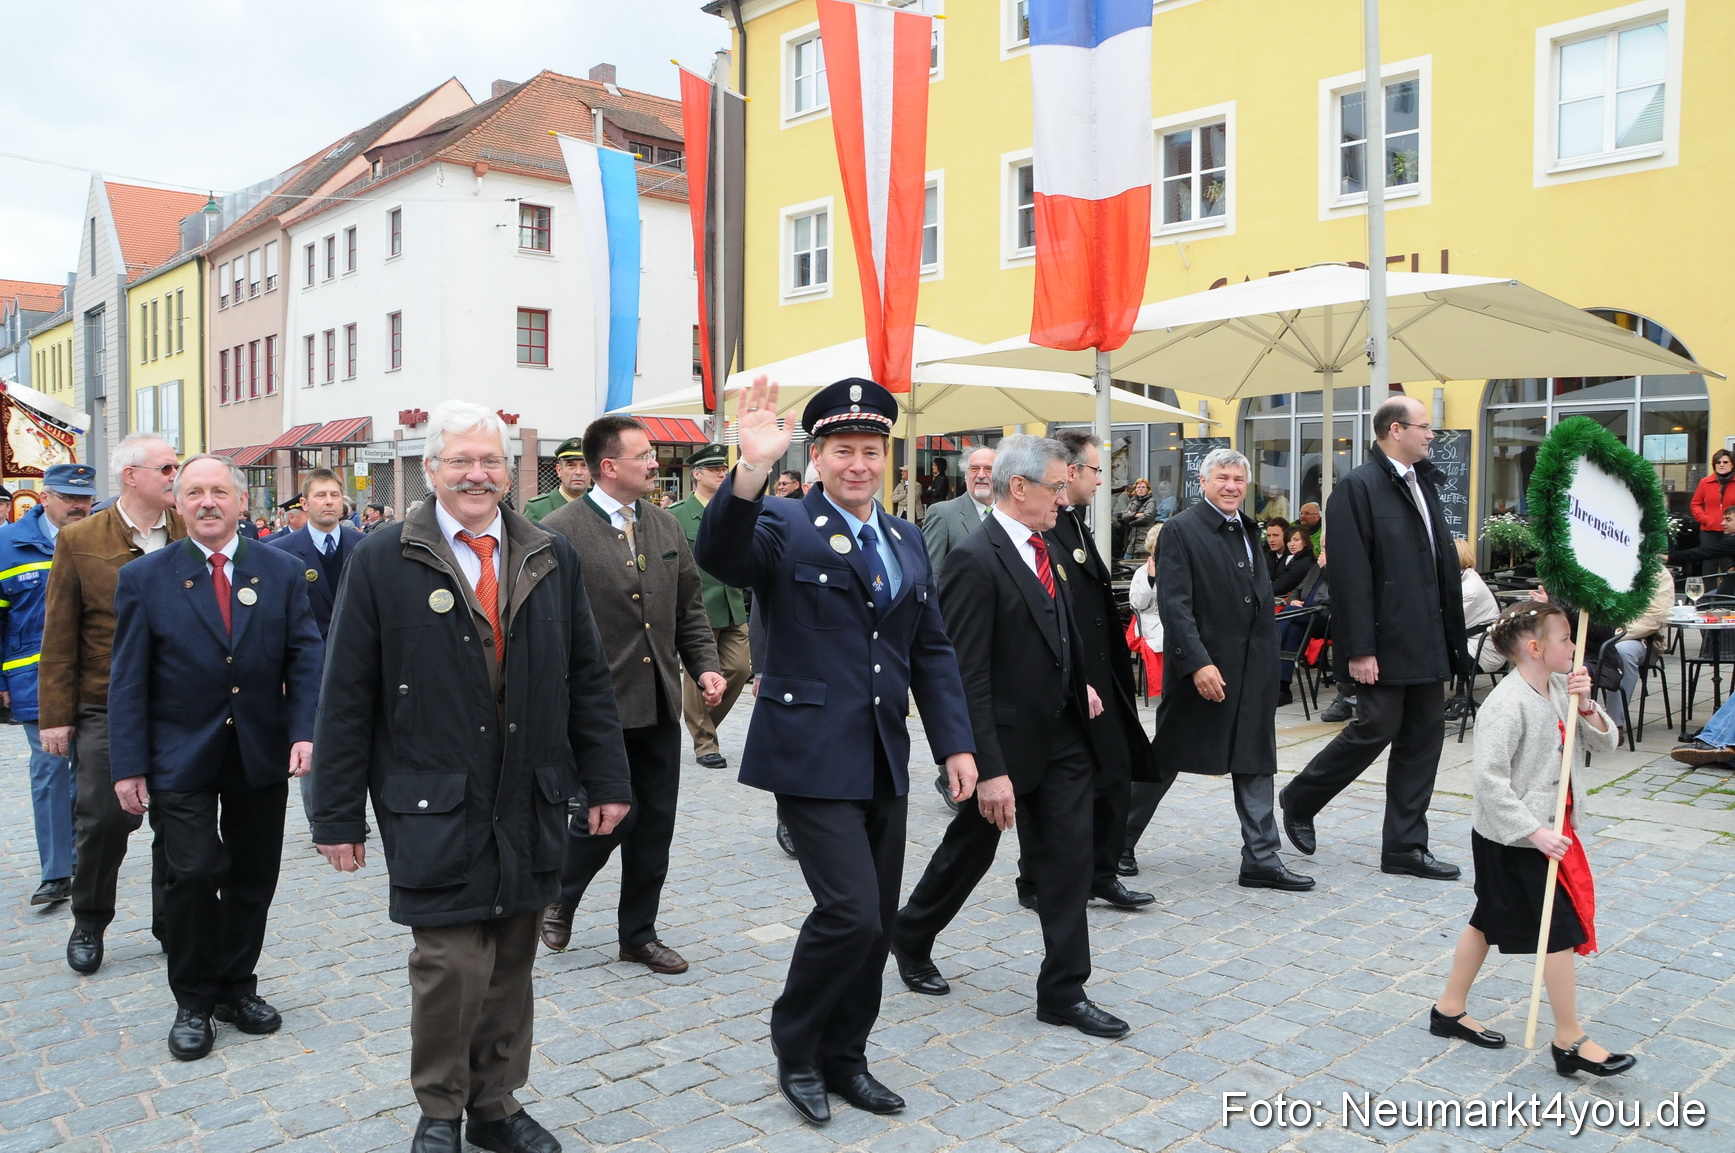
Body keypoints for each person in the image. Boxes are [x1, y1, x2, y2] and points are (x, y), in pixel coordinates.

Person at [311, 400, 631, 1153]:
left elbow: (587, 677)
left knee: (512, 956)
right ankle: (439, 1110)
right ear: (431, 469)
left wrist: (608, 780)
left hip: (529, 792)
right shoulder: (383, 558)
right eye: (460, 461)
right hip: (433, 800)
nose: (477, 474)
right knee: (450, 963)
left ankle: (495, 1106)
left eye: (490, 461)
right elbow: (346, 691)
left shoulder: (550, 552)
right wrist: (334, 816)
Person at [695, 376, 976, 1126]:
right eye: (842, 450)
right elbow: (721, 553)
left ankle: (847, 1055)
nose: (858, 463)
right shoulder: (783, 520)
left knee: (878, 921)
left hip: (883, 751)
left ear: (885, 456)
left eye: (870, 450)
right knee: (849, 912)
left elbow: (932, 648)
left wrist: (954, 742)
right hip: (811, 750)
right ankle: (796, 1045)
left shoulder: (906, 536)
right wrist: (751, 467)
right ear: (815, 456)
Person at [893, 435, 1130, 1040]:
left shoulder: (1048, 542)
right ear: (1018, 487)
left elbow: (1061, 628)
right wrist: (987, 766)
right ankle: (913, 933)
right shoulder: (976, 558)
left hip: (1065, 735)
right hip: (1005, 745)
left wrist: (1081, 686)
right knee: (968, 852)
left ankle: (1063, 990)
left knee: (1068, 858)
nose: (1064, 495)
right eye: (1057, 484)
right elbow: (962, 671)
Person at [108, 455, 324, 1061]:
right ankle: (194, 1000)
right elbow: (126, 679)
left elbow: (307, 656)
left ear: (241, 503)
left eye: (219, 492)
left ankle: (237, 987)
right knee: (196, 872)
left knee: (254, 876)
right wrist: (127, 764)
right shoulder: (146, 578)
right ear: (177, 503)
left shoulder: (282, 571)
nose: (207, 502)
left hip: (259, 747)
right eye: (194, 492)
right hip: (180, 753)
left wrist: (304, 729)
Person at [539, 418, 724, 972]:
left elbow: (689, 606)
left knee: (654, 822)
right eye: (644, 455)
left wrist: (706, 666)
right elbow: (547, 628)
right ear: (609, 466)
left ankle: (637, 934)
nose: (654, 463)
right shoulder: (558, 530)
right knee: (610, 813)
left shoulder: (666, 527)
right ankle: (559, 892)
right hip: (596, 706)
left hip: (660, 700)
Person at [1429, 603, 1634, 1078]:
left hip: (1550, 832)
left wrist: (1586, 705)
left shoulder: (1563, 686)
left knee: (1486, 919)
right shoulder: (1506, 704)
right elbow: (1489, 781)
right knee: (1559, 932)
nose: (1574, 647)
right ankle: (1570, 1039)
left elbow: (1606, 745)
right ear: (1535, 648)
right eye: (1565, 639)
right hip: (1515, 839)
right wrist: (1533, 831)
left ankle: (1448, 1009)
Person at [1281, 396, 1470, 881]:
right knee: (1376, 727)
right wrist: (1360, 648)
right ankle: (1301, 796)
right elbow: (1350, 577)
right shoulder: (1357, 489)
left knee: (1424, 739)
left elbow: (1436, 566)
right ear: (1394, 430)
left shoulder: (1423, 483)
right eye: (1425, 427)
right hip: (1384, 640)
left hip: (1427, 636)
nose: (1432, 436)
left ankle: (1405, 847)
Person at [40, 434, 186, 975]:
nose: (177, 474)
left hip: (177, 705)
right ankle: (89, 918)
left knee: (179, 820)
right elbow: (59, 634)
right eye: (167, 466)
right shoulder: (80, 539)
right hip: (105, 702)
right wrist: (56, 715)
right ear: (131, 475)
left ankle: (173, 923)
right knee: (103, 818)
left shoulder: (188, 531)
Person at [1151, 448, 1313, 891]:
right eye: (1222, 477)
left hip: (1252, 667)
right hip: (1201, 669)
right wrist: (1198, 662)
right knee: (1164, 759)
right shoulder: (1181, 530)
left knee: (1255, 758)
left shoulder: (1248, 527)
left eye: (1239, 480)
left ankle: (1261, 857)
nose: (1231, 486)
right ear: (1203, 483)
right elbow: (1175, 606)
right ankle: (1116, 843)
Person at [1034, 428, 1160, 909]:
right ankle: (1046, 878)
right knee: (1077, 780)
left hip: (1102, 673)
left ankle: (1100, 872)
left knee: (1115, 771)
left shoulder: (1075, 521)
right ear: (1071, 472)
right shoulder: (1048, 523)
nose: (1100, 480)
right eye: (1095, 470)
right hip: (1077, 676)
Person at [2, 463, 96, 907]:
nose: (78, 505)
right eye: (68, 497)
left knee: (88, 771)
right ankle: (57, 871)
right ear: (45, 498)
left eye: (84, 498)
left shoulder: (102, 540)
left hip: (93, 677)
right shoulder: (8, 545)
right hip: (33, 680)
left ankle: (82, 855)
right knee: (49, 769)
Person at [670, 444, 752, 771]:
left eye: (724, 469)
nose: (722, 473)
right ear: (697, 474)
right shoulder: (676, 514)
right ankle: (705, 742)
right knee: (697, 676)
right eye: (714, 469)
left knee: (739, 668)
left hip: (732, 602)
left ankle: (703, 722)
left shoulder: (735, 508)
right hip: (697, 607)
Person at [922, 446, 995, 582]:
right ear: (965, 475)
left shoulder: (1011, 515)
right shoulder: (942, 514)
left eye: (988, 469)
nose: (981, 475)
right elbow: (931, 574)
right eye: (974, 469)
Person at [1125, 523, 1164, 706]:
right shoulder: (1142, 572)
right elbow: (1137, 603)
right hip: (1152, 621)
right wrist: (1151, 578)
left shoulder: (1180, 567)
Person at [523, 438, 589, 522]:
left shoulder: (601, 507)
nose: (578, 472)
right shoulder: (537, 508)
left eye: (584, 465)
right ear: (559, 470)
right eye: (571, 465)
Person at [1689, 449, 1735, 548]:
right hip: (1709, 530)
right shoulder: (1705, 482)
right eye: (1718, 462)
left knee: (1729, 562)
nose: (1721, 465)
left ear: (1732, 464)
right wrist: (1705, 519)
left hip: (1732, 531)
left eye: (1725, 462)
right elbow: (1695, 504)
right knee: (1708, 562)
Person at [1114, 478, 1157, 560]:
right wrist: (1136, 515)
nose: (1140, 489)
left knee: (1141, 563)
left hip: (1144, 538)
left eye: (1143, 487)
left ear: (1148, 489)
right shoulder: (1133, 501)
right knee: (1127, 561)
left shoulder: (1151, 502)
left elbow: (1147, 517)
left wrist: (1131, 521)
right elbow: (1124, 516)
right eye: (1138, 487)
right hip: (1132, 539)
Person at [1271, 524, 1317, 602]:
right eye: (1289, 540)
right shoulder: (1289, 558)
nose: (1291, 544)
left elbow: (1282, 586)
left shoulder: (1303, 563)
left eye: (1296, 540)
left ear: (1305, 542)